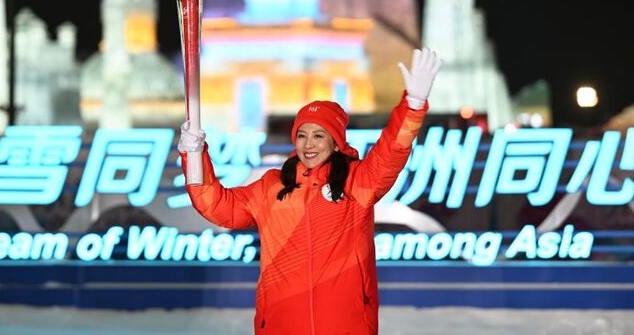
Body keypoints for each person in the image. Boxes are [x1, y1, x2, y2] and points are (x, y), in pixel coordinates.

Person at [178, 48, 443, 335]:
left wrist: (413, 105)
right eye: (302, 135)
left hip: (346, 326)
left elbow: (392, 151)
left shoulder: (356, 183)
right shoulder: (272, 187)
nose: (308, 144)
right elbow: (217, 206)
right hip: (282, 325)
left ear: (336, 142)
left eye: (319, 135)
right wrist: (194, 156)